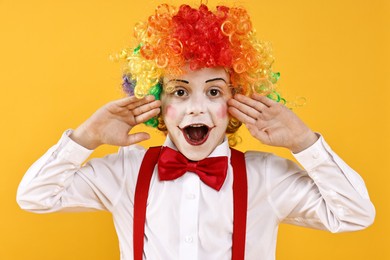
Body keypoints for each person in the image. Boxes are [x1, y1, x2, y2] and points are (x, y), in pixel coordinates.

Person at [17, 3, 375, 260]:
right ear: (156, 101)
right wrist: (85, 139)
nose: (197, 108)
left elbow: (355, 214)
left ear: (237, 99)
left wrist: (304, 143)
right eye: (180, 91)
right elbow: (35, 196)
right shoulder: (125, 172)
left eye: (214, 92)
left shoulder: (264, 176)